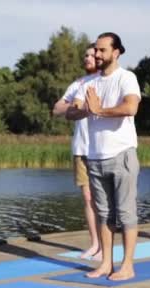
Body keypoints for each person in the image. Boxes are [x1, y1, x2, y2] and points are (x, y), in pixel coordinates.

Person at [67, 32, 141, 281]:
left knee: (126, 213)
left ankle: (127, 265)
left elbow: (130, 107)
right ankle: (106, 264)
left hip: (121, 154)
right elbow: (71, 113)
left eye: (102, 50)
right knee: (104, 214)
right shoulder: (90, 83)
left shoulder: (126, 78)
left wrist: (100, 110)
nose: (97, 54)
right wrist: (84, 110)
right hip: (95, 157)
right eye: (95, 50)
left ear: (116, 52)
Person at [52, 43, 100, 260]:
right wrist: (78, 107)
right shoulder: (78, 84)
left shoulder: (105, 80)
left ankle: (106, 245)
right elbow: (57, 109)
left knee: (104, 199)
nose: (88, 58)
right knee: (88, 198)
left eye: (92, 55)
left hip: (102, 148)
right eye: (86, 55)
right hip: (81, 148)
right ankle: (95, 244)